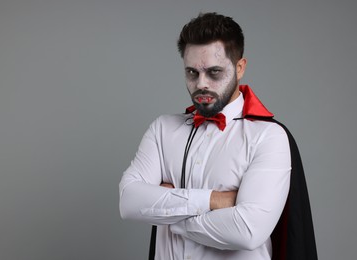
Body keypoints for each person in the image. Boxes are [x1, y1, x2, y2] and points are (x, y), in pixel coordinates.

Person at [119, 12, 317, 260]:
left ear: (240, 67)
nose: (202, 84)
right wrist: (213, 200)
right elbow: (128, 202)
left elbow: (247, 231)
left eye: (214, 72)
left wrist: (168, 213)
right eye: (192, 72)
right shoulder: (162, 129)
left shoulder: (268, 137)